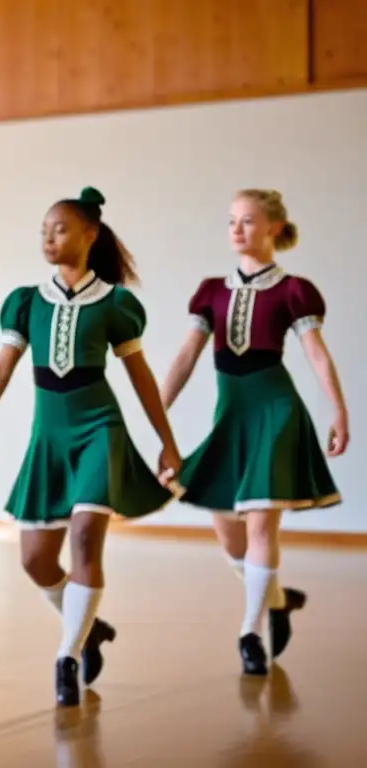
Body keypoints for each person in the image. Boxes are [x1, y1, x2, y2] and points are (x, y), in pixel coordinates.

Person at [0, 186, 181, 708]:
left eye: (61, 228)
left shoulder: (116, 305)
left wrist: (166, 442)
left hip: (100, 429)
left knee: (87, 536)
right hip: (47, 437)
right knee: (34, 560)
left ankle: (67, 656)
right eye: (44, 229)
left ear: (90, 235)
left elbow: (140, 377)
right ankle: (89, 628)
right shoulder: (25, 303)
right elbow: (2, 368)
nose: (49, 237)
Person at [161, 189, 347, 675]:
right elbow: (185, 356)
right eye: (231, 221)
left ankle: (248, 631)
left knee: (261, 520)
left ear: (274, 230)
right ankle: (279, 600)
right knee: (226, 528)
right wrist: (156, 413)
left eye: (247, 221)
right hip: (232, 415)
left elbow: (317, 354)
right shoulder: (211, 291)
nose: (237, 229)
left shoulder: (294, 290)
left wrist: (339, 411)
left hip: (275, 409)